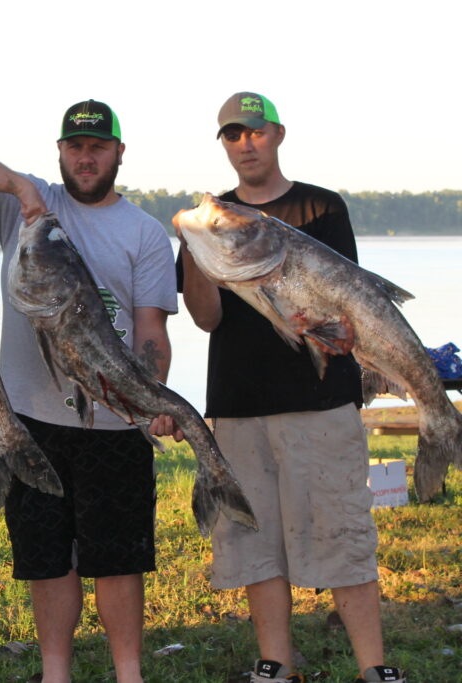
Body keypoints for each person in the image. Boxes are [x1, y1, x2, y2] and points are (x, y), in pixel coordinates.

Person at [0, 100, 179, 683]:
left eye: (98, 147)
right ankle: (55, 674)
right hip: (30, 420)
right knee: (46, 561)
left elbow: (151, 330)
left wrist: (152, 398)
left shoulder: (145, 232)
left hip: (116, 421)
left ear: (119, 153)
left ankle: (129, 674)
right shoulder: (26, 208)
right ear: (61, 152)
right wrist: (20, 186)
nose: (86, 157)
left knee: (118, 562)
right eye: (75, 146)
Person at [176, 92, 406, 683]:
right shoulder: (211, 222)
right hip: (238, 405)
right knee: (255, 543)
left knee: (342, 534)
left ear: (277, 135)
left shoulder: (321, 207)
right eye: (232, 134)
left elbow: (350, 301)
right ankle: (275, 665)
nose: (245, 144)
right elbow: (206, 318)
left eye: (255, 132)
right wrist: (196, 254)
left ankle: (374, 667)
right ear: (223, 144)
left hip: (320, 405)